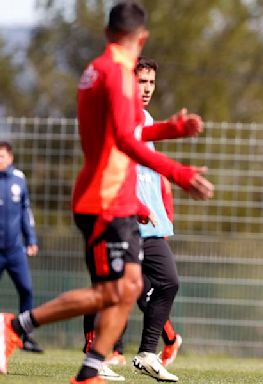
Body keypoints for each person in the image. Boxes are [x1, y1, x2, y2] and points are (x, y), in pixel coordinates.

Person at [0, 2, 214, 383]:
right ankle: (15, 328)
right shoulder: (116, 74)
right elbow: (123, 139)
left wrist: (170, 130)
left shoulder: (99, 70)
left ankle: (90, 370)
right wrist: (176, 172)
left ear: (106, 33)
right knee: (108, 293)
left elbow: (130, 132)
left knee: (129, 288)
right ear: (141, 37)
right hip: (103, 199)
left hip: (116, 198)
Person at [83, 56, 186, 382]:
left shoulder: (146, 117)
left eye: (151, 83)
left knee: (167, 281)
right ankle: (92, 357)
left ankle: (146, 353)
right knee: (113, 291)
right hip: (121, 219)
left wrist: (163, 211)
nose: (147, 89)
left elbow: (151, 170)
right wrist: (135, 203)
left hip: (149, 224)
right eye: (142, 82)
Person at [0, 141, 43, 354]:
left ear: (10, 158)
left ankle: (26, 336)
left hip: (15, 250)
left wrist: (31, 240)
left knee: (26, 289)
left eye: (1, 156)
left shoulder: (19, 179)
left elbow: (26, 212)